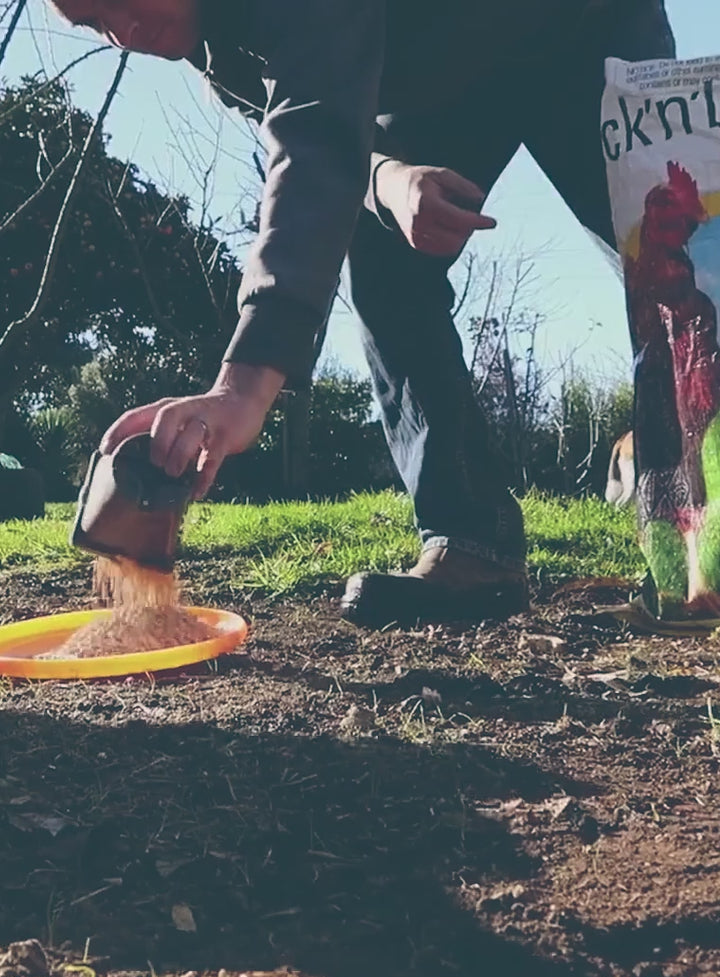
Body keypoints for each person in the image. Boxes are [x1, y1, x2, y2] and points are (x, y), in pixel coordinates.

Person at [48, 0, 677, 625]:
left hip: (582, 28)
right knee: (383, 255)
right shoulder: (222, 57)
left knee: (674, 256)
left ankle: (701, 539)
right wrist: (392, 180)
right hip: (442, 80)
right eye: (95, 22)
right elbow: (335, 131)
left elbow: (316, 144)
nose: (124, 30)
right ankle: (471, 545)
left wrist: (241, 389)